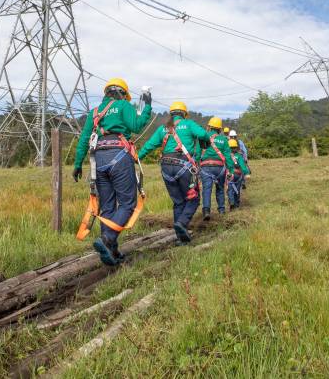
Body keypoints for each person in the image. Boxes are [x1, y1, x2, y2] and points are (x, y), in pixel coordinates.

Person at [73, 78, 152, 266]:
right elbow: (137, 125)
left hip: (98, 159)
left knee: (107, 207)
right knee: (127, 204)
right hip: (119, 156)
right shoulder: (123, 105)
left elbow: (84, 139)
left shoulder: (95, 112)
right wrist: (147, 105)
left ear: (106, 92)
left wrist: (77, 164)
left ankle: (111, 250)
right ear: (123, 93)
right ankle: (107, 239)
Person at [138, 102, 209, 244]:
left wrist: (137, 157)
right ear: (184, 114)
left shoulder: (162, 129)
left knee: (178, 202)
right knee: (193, 199)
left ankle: (180, 238)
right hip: (184, 167)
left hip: (166, 167)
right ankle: (182, 224)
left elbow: (149, 146)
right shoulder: (188, 124)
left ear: (171, 114)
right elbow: (203, 134)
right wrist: (205, 143)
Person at [199, 117, 234, 220]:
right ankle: (222, 210)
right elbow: (228, 156)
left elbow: (197, 152)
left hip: (205, 167)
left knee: (207, 189)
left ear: (209, 127)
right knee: (220, 189)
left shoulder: (204, 137)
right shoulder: (223, 139)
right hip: (219, 168)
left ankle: (206, 211)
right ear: (219, 129)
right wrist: (231, 170)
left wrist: (196, 164)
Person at [227, 138, 250, 208]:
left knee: (230, 189)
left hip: (230, 174)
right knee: (237, 189)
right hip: (238, 175)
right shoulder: (239, 156)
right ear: (236, 147)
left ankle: (231, 202)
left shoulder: (227, 155)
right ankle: (237, 203)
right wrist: (246, 173)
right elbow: (243, 166)